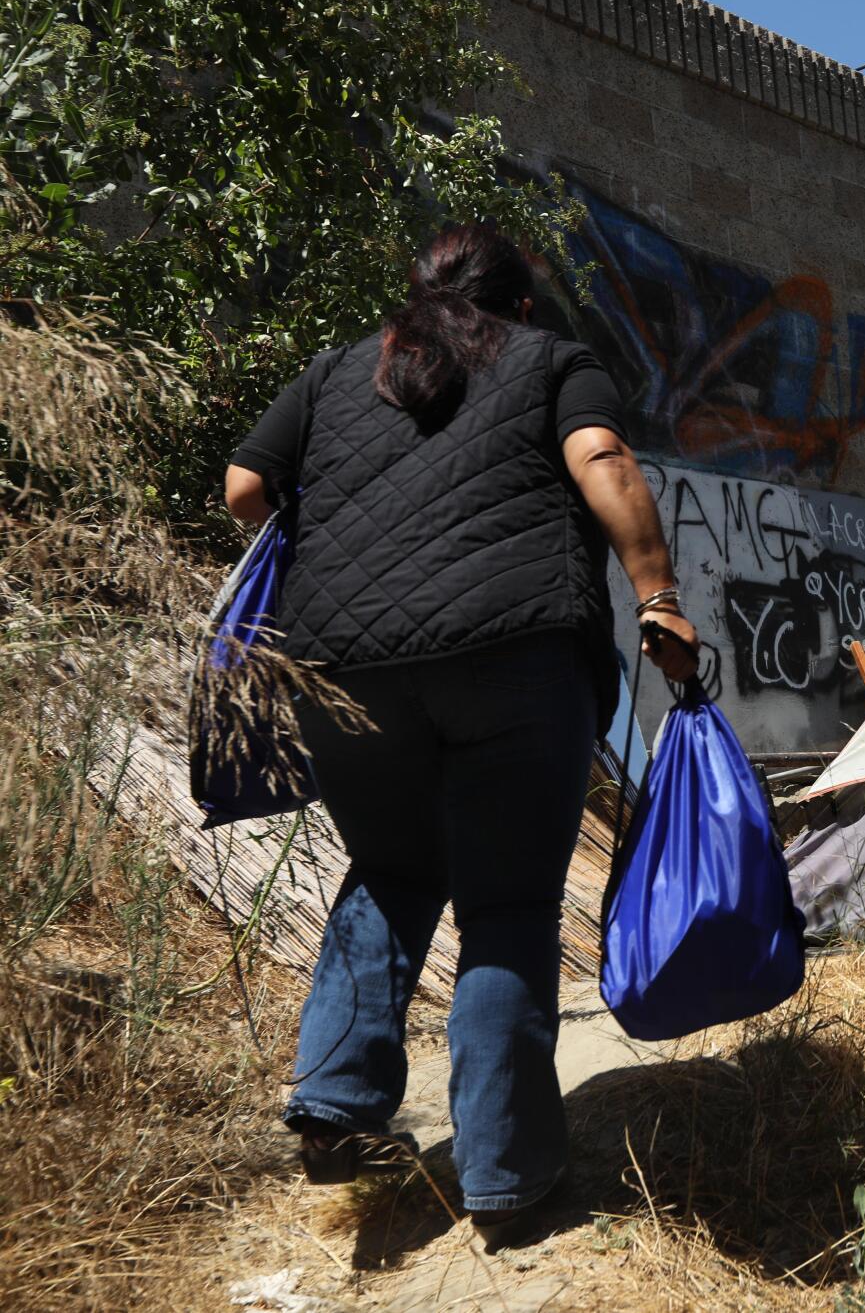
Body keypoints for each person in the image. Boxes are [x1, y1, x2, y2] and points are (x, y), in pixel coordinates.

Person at [223, 224, 697, 1250]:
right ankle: (507, 1180)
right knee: (509, 903)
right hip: (515, 654)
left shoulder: (340, 372)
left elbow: (244, 490)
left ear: (414, 304)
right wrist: (657, 593)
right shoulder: (550, 359)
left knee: (391, 868)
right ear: (519, 307)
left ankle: (336, 1100)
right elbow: (600, 456)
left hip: (343, 669)